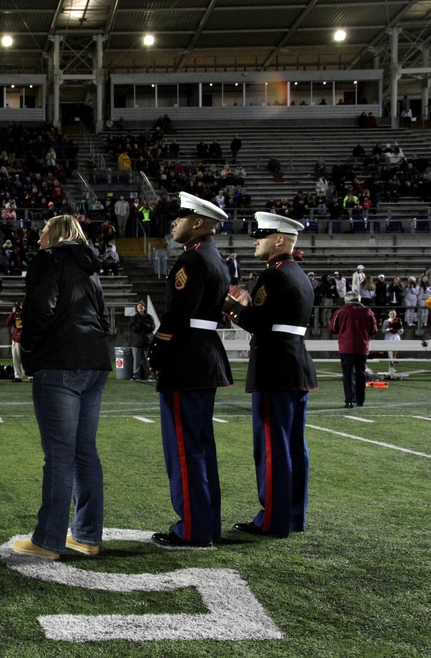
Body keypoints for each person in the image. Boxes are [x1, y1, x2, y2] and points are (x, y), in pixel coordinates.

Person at [12, 214, 112, 559]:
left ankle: (48, 540)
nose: (38, 236)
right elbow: (103, 318)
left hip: (61, 363)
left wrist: (29, 353)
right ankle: (87, 536)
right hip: (95, 362)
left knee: (59, 455)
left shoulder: (48, 258)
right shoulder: (90, 268)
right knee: (85, 451)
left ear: (54, 233)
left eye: (42, 229)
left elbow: (40, 310)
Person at [223, 213, 317, 538]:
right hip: (296, 364)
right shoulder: (301, 275)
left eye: (261, 235)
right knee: (293, 445)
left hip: (274, 365)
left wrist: (232, 306)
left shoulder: (272, 276)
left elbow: (257, 323)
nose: (256, 241)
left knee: (272, 446)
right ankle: (293, 516)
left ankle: (272, 521)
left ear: (279, 239)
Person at [148, 191, 233, 550]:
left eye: (180, 217)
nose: (174, 223)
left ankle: (193, 530)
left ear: (197, 222)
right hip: (204, 357)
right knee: (199, 447)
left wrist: (158, 349)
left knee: (184, 449)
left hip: (186, 358)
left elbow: (178, 315)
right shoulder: (215, 259)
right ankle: (206, 523)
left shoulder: (192, 260)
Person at [328, 291, 378, 408]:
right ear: (359, 300)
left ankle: (350, 400)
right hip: (362, 346)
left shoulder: (341, 312)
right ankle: (360, 399)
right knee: (361, 373)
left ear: (347, 300)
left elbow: (333, 328)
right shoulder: (368, 312)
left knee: (348, 374)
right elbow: (374, 329)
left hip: (346, 346)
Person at [129, 300, 155, 381]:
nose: (140, 309)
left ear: (144, 308)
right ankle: (136, 376)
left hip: (146, 342)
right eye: (138, 307)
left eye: (141, 307)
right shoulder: (133, 318)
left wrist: (145, 325)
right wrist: (141, 324)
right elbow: (133, 328)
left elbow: (152, 327)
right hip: (136, 342)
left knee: (147, 360)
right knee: (136, 360)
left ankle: (149, 375)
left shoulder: (149, 317)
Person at [6, 302, 26, 382]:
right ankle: (18, 375)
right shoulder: (15, 315)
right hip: (16, 337)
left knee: (25, 358)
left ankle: (29, 375)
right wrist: (13, 313)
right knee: (16, 357)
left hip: (24, 337)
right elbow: (8, 322)